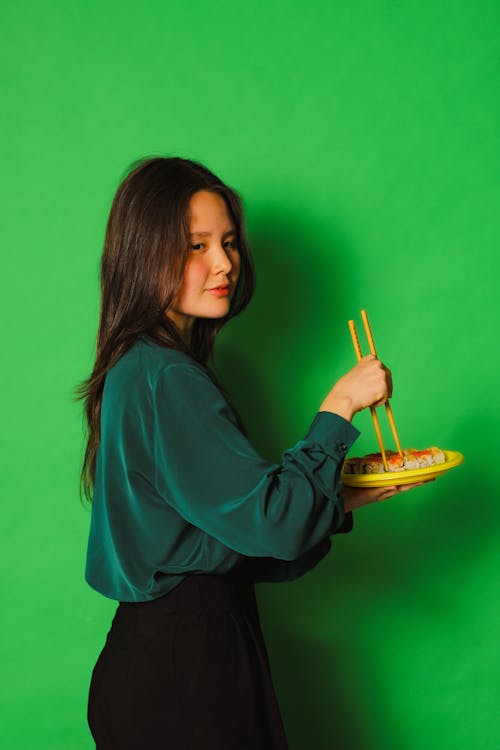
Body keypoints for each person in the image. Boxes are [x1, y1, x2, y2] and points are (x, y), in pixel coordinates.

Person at [77, 156, 424, 749]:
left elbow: (224, 540)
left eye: (229, 243)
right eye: (196, 245)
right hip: (187, 672)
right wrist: (339, 405)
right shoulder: (165, 377)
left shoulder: (141, 367)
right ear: (144, 253)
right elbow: (272, 526)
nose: (224, 263)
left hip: (158, 662)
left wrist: (339, 499)